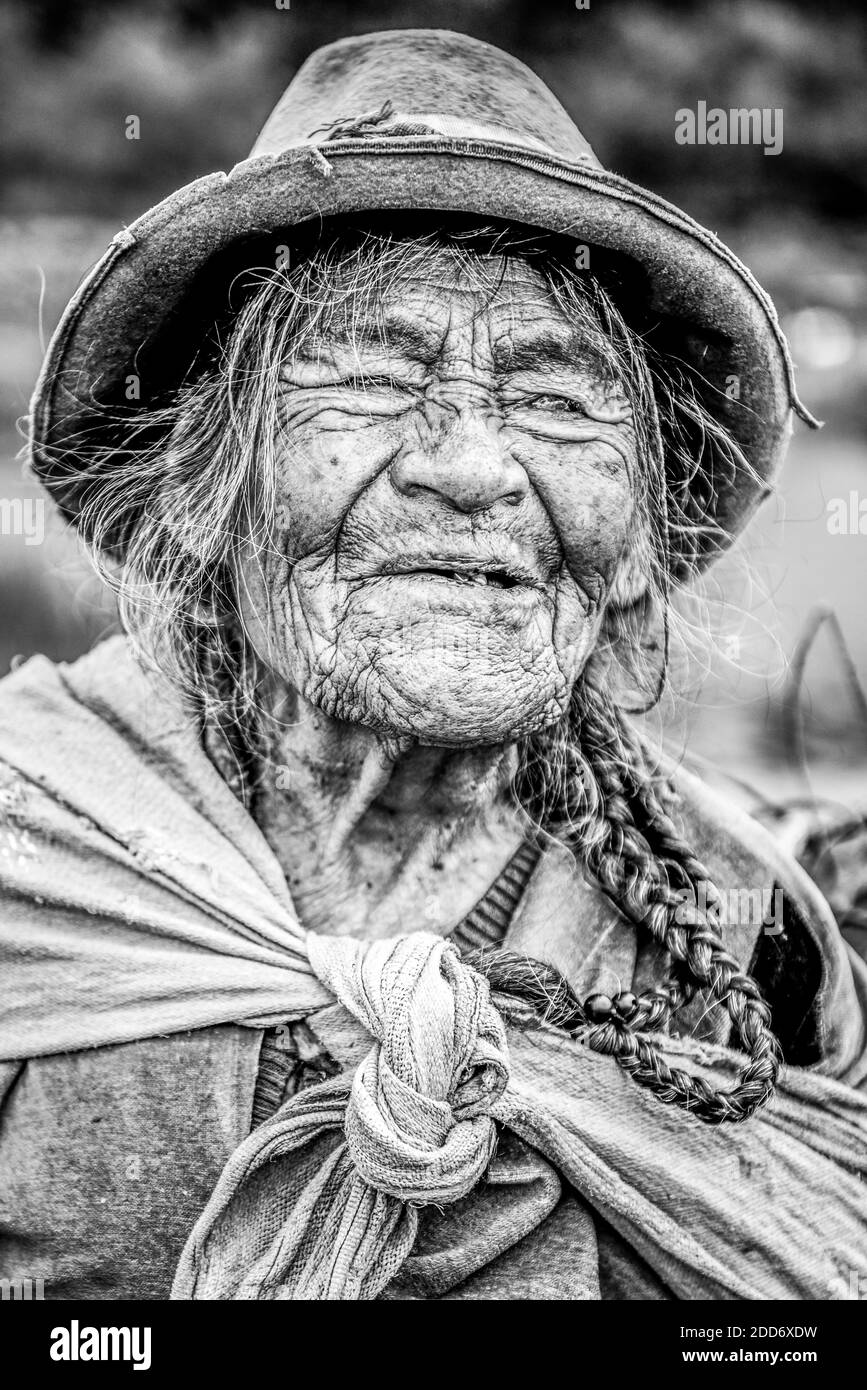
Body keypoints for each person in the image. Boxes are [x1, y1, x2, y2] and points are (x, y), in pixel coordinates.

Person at [1, 29, 865, 1301]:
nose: (469, 466)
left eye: (559, 399)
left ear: (636, 535)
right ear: (201, 491)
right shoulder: (29, 856)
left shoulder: (751, 950)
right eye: (369, 376)